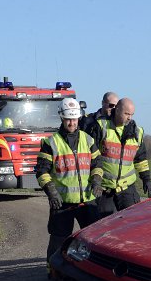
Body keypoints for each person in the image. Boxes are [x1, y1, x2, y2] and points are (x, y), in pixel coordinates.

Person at [36, 98, 102, 262]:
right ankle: (53, 269)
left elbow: (97, 164)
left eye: (74, 118)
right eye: (68, 119)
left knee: (93, 239)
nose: (71, 123)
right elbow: (41, 171)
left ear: (79, 118)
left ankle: (91, 269)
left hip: (87, 200)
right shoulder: (50, 143)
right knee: (58, 239)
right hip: (62, 202)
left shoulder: (88, 140)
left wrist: (97, 180)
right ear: (61, 118)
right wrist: (52, 192)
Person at [90, 97, 151, 219]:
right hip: (105, 190)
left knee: (132, 224)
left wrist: (147, 180)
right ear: (117, 110)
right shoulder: (101, 127)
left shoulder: (137, 132)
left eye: (132, 114)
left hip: (127, 189)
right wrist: (95, 181)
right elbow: (92, 157)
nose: (129, 117)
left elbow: (141, 159)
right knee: (105, 225)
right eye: (126, 114)